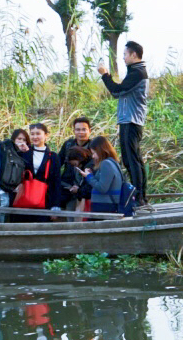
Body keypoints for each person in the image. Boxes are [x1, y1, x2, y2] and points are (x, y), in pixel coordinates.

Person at [99, 41, 149, 204]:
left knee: (132, 160)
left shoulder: (138, 73)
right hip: (129, 120)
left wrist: (104, 75)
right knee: (132, 159)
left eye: (125, 54)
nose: (123, 57)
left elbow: (116, 90)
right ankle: (140, 196)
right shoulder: (135, 72)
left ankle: (139, 197)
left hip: (131, 121)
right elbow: (118, 93)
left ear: (134, 54)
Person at [83, 136, 130, 213]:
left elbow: (102, 188)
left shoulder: (106, 164)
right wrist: (92, 175)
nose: (93, 156)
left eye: (94, 153)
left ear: (101, 151)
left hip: (105, 206)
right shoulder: (113, 162)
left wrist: (89, 177)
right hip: (107, 205)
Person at [57, 117, 95, 210]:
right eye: (78, 129)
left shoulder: (94, 147)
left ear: (89, 131)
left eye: (84, 129)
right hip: (67, 186)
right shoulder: (68, 145)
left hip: (84, 188)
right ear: (74, 131)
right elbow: (58, 162)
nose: (81, 132)